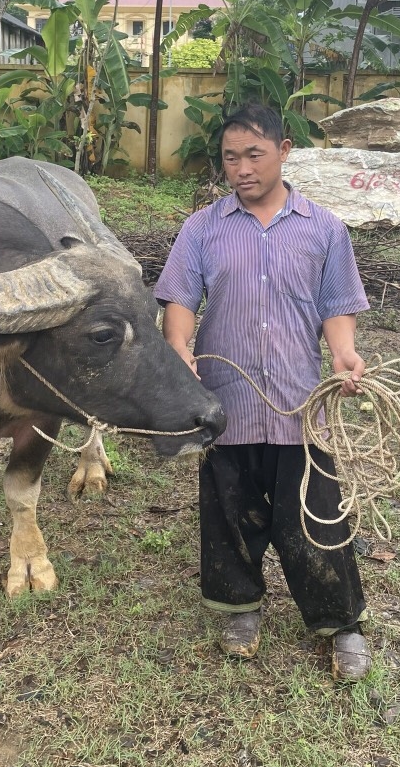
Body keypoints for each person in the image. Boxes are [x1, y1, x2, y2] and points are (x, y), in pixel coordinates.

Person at [154, 101, 372, 680]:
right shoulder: (202, 229)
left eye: (254, 154)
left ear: (284, 151)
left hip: (302, 404)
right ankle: (239, 607)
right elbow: (180, 302)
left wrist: (345, 355)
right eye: (231, 157)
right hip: (228, 402)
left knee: (317, 521)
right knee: (230, 512)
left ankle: (338, 622)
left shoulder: (323, 228)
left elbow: (337, 309)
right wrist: (179, 345)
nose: (242, 168)